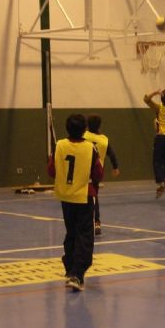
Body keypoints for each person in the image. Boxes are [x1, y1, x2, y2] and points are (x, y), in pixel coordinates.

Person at [48, 114, 104, 292]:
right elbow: (98, 175)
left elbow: (51, 171)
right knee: (85, 236)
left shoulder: (59, 146)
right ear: (85, 129)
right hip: (84, 196)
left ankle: (70, 267)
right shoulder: (90, 148)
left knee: (71, 233)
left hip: (66, 196)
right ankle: (77, 274)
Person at [83, 114, 120, 236]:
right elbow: (112, 154)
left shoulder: (84, 135)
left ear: (87, 125)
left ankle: (83, 221)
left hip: (83, 170)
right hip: (97, 172)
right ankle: (97, 222)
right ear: (100, 126)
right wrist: (115, 167)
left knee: (81, 195)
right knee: (94, 196)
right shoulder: (104, 139)